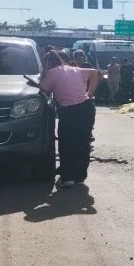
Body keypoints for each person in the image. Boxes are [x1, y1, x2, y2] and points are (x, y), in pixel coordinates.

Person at [38, 51, 100, 189]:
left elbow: (43, 89)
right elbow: (94, 72)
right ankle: (79, 176)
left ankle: (67, 178)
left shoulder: (51, 73)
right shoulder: (74, 69)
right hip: (86, 108)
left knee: (67, 143)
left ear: (47, 63)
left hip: (69, 111)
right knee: (83, 142)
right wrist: (90, 92)